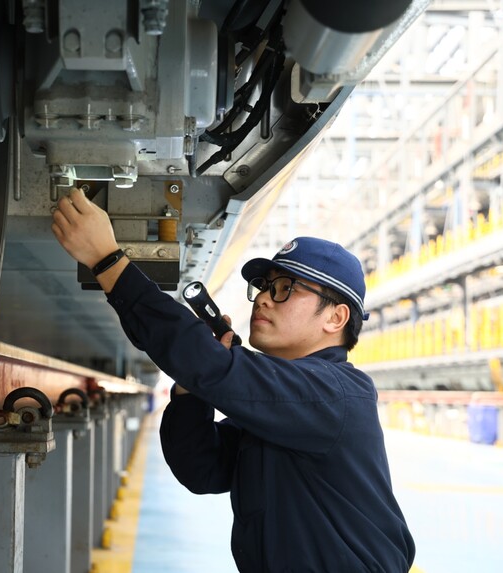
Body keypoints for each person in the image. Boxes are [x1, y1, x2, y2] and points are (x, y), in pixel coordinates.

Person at [51, 187, 415, 572]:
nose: (262, 299)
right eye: (264, 287)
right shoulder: (289, 406)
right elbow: (202, 468)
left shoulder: (334, 393)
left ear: (335, 319)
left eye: (284, 289)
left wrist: (108, 263)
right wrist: (193, 387)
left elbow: (216, 369)